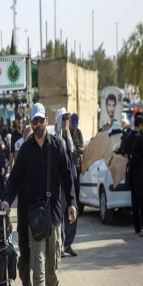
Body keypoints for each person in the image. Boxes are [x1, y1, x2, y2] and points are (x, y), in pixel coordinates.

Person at [2, 102, 77, 286]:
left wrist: (72, 203)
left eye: (40, 120)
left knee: (52, 273)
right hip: (35, 221)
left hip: (54, 218)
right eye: (34, 121)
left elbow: (68, 177)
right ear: (31, 123)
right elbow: (14, 179)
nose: (37, 125)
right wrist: (7, 199)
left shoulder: (57, 146)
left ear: (46, 121)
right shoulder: (26, 150)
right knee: (39, 273)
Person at [55, 108, 78, 257]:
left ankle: (68, 244)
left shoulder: (69, 138)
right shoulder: (55, 140)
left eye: (67, 119)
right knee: (60, 215)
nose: (66, 121)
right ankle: (60, 245)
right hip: (59, 183)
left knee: (73, 212)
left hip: (70, 182)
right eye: (63, 119)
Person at [124, 114, 143, 235]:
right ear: (141, 125)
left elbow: (125, 155)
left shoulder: (128, 136)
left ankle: (137, 228)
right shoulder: (140, 138)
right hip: (140, 173)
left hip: (131, 173)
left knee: (134, 201)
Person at [69, 113, 84, 210]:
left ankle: (77, 208)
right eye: (73, 125)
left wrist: (80, 149)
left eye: (75, 125)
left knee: (77, 188)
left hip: (77, 165)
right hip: (69, 165)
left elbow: (82, 147)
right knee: (70, 188)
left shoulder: (78, 132)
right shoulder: (66, 133)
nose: (74, 128)